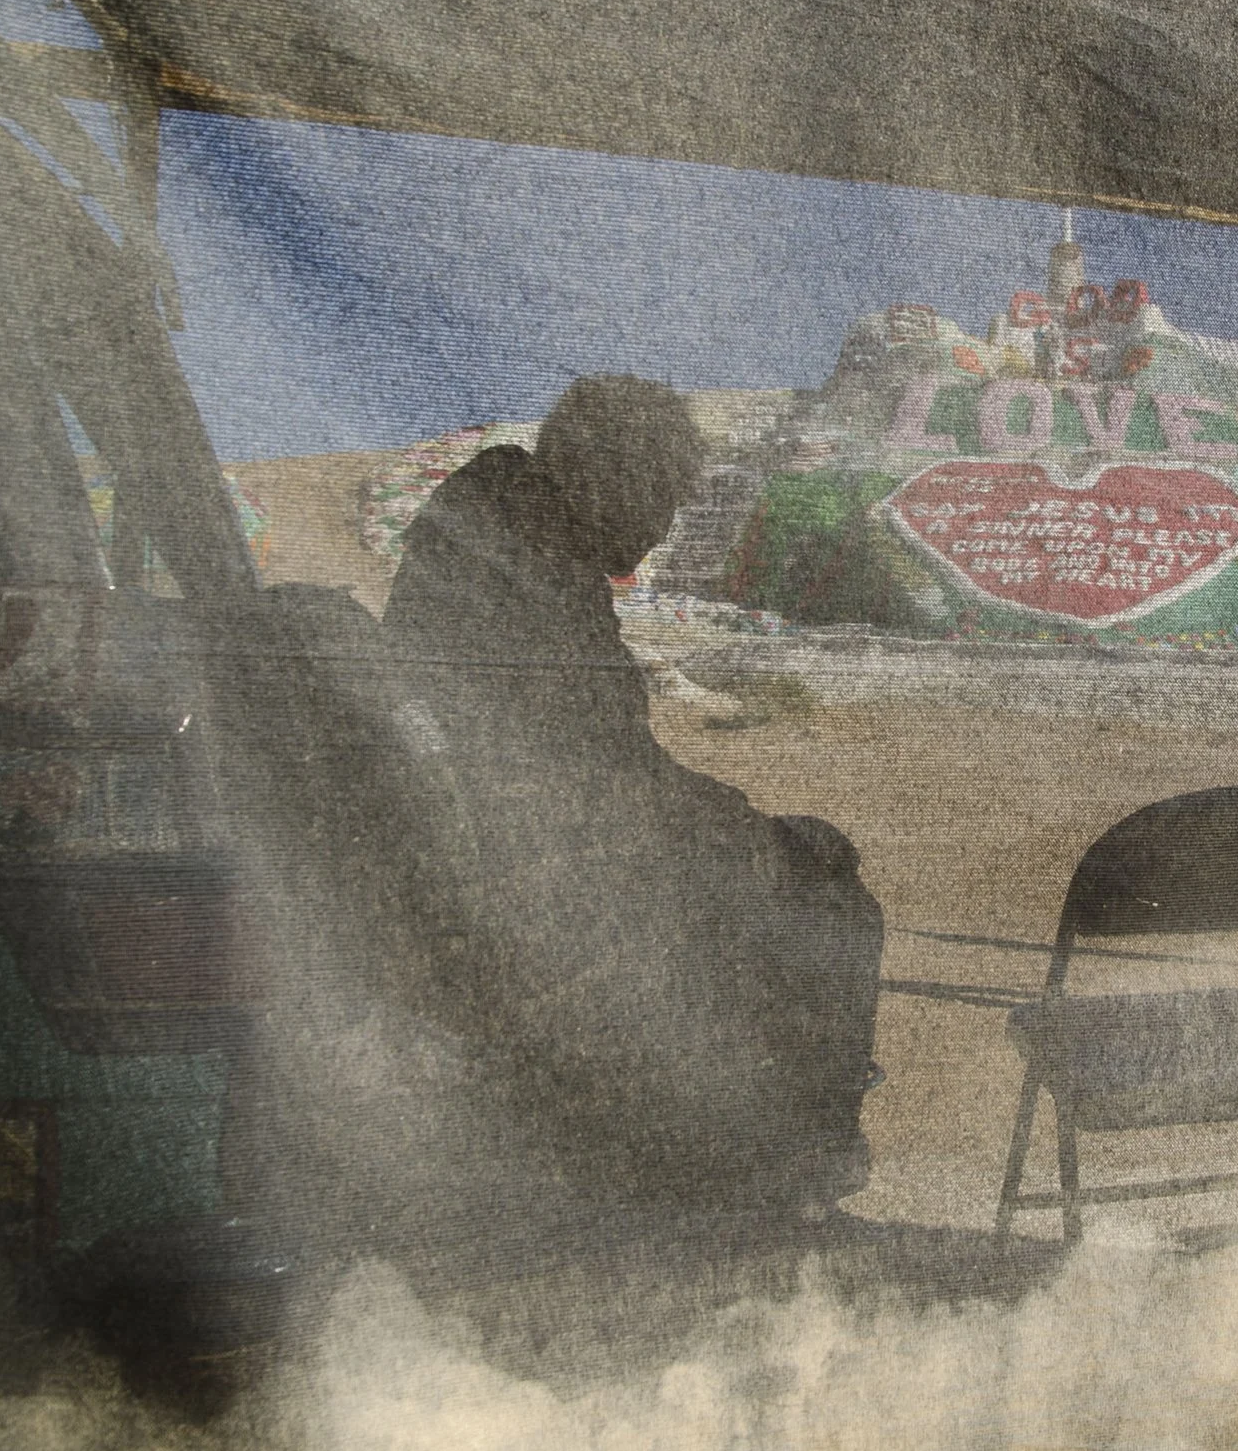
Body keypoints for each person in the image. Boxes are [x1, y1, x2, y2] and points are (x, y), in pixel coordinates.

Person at [374, 375, 884, 1219]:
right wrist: (751, 832)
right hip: (546, 878)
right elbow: (604, 780)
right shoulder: (538, 558)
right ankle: (800, 1162)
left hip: (496, 853)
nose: (661, 527)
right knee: (831, 899)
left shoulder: (506, 528)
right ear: (618, 475)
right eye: (661, 497)